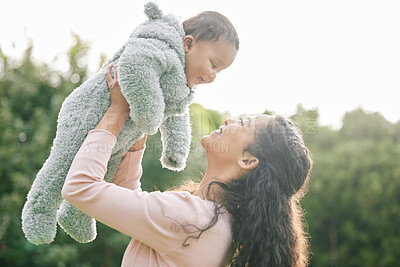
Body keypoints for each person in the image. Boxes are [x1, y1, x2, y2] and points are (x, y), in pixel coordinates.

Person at [62, 64, 312, 266]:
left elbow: (79, 187)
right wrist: (137, 134)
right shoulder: (216, 222)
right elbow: (137, 209)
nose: (229, 120)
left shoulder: (195, 220)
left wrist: (117, 111)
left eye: (244, 123)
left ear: (247, 160)